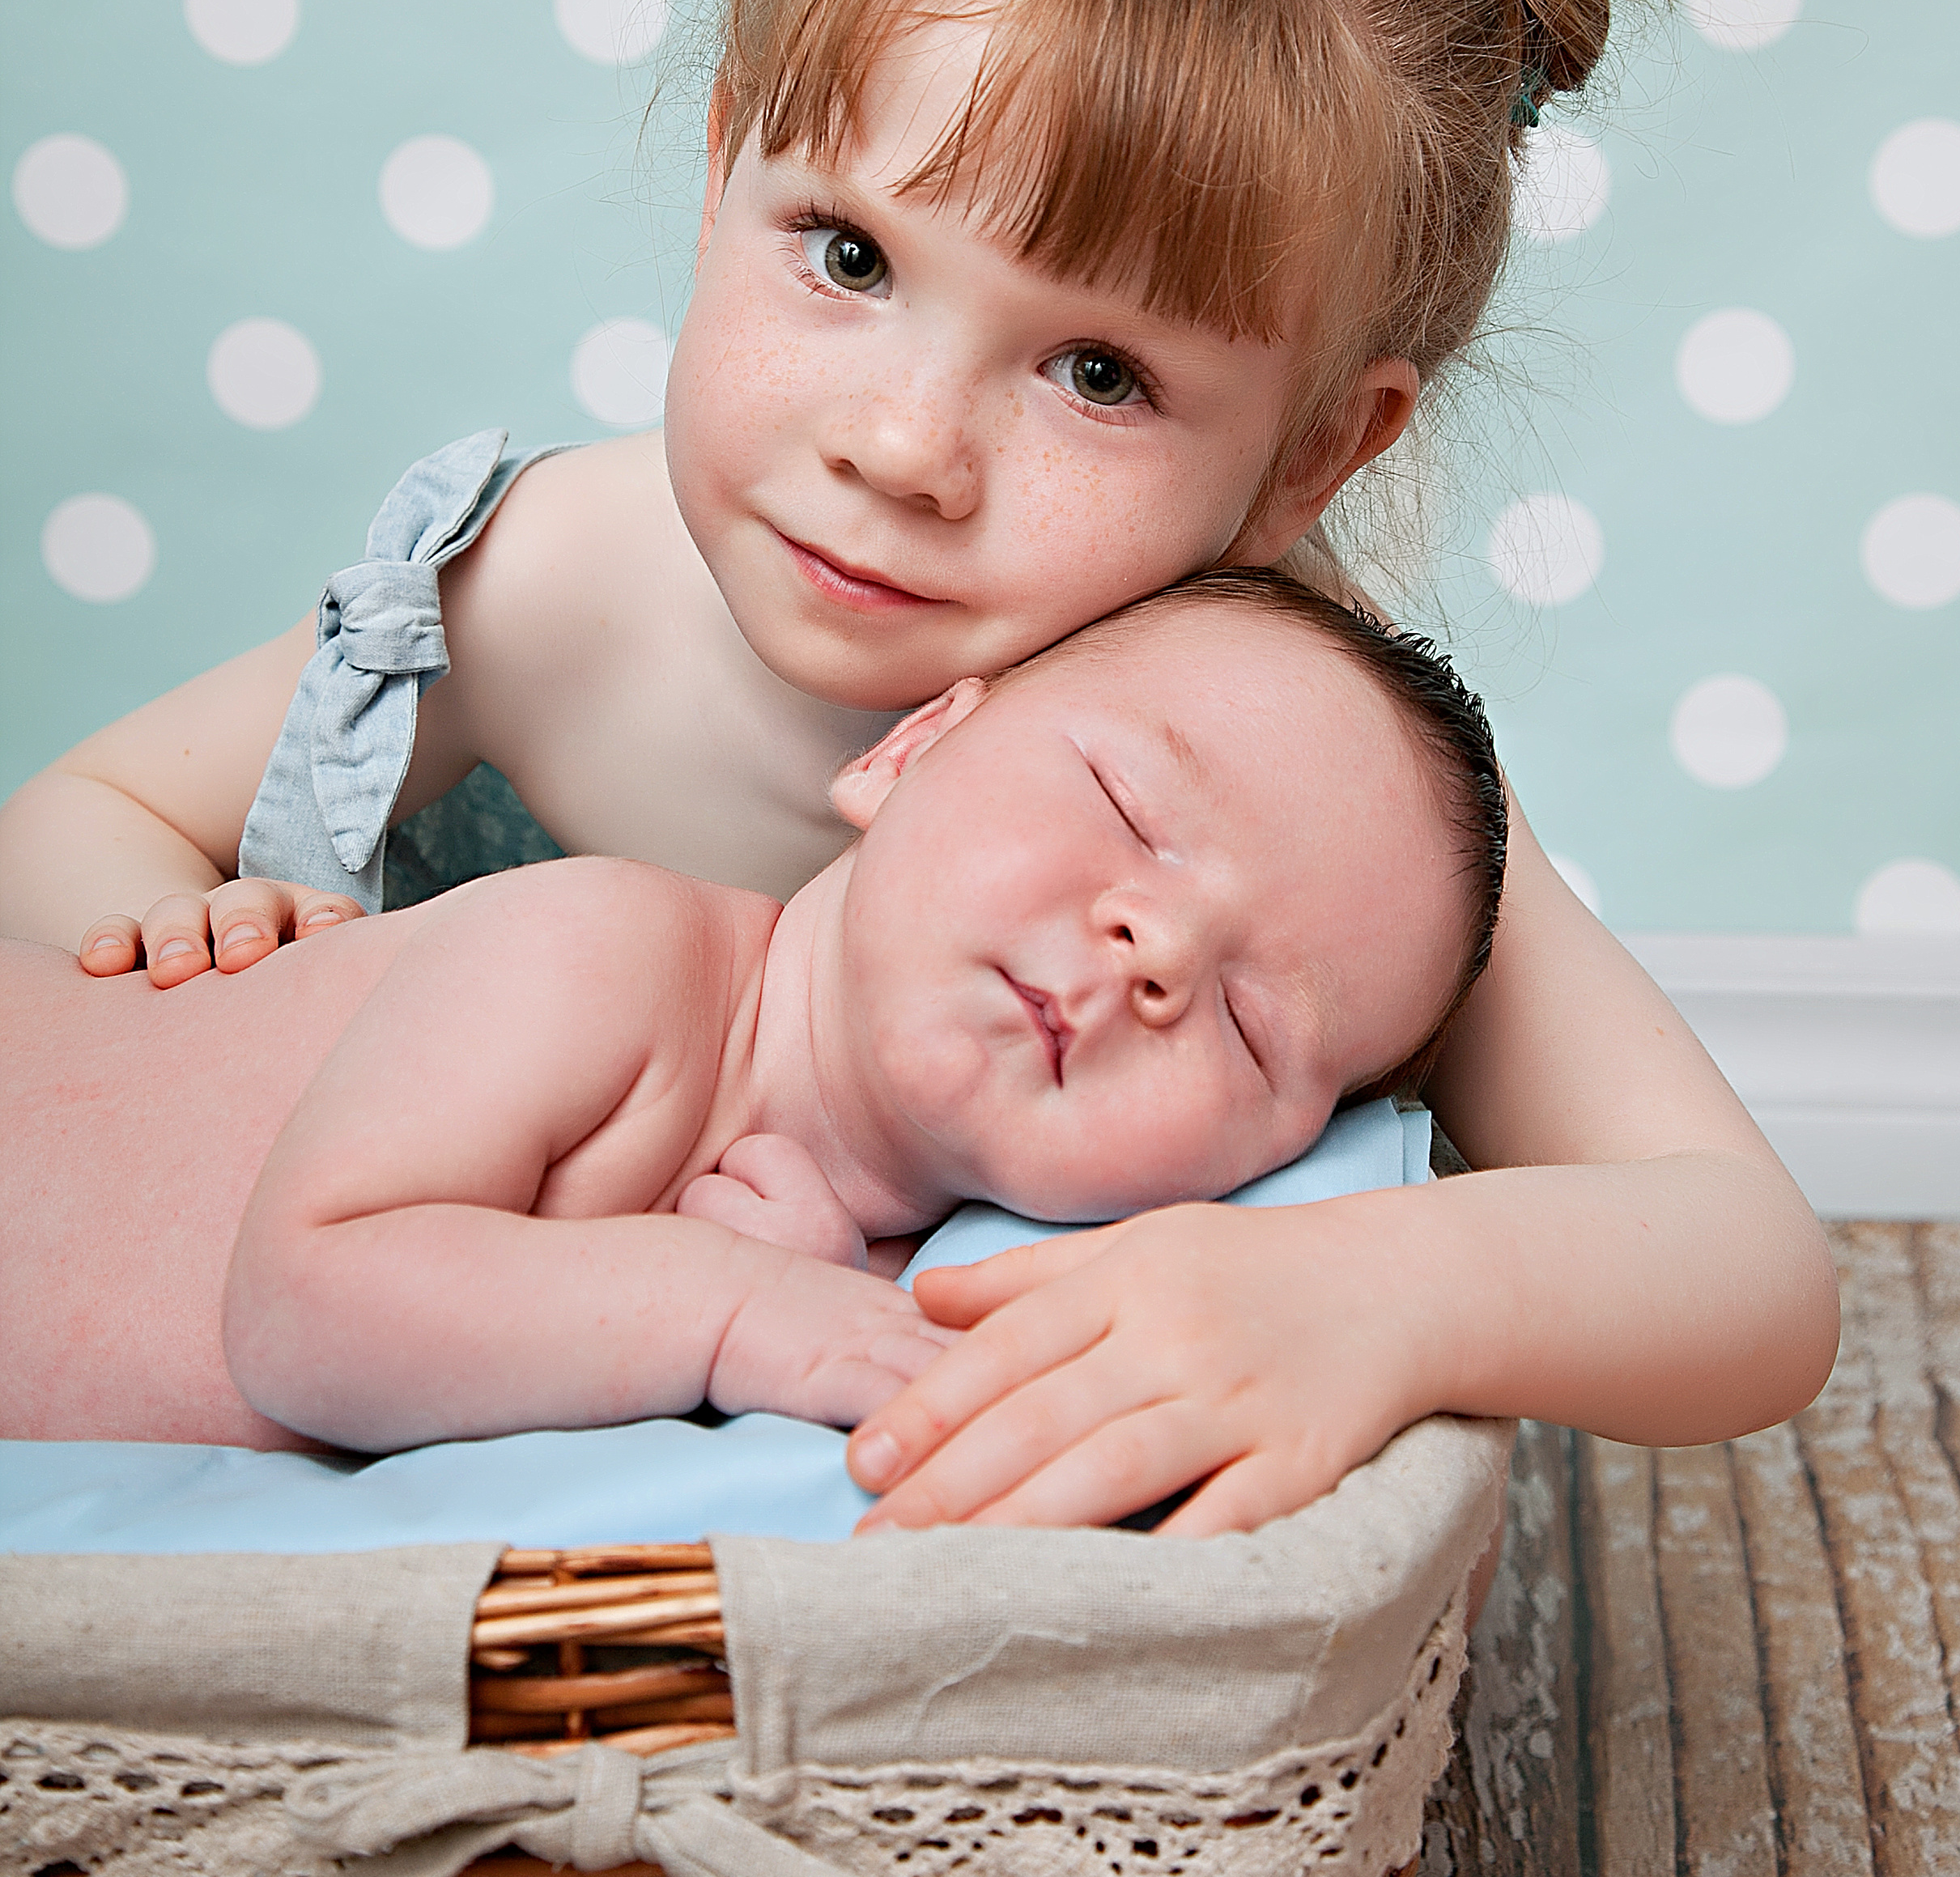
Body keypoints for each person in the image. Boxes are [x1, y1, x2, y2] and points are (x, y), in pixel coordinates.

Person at [0, 0, 1839, 1528]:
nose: (901, 447)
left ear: (1312, 453)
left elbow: (1743, 1271)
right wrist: (173, 928)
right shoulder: (566, 581)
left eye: (1100, 372)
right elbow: (87, 813)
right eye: (851, 256)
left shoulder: (1272, 771)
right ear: (723, 167)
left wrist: (1348, 1289)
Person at [0, 575, 1503, 1459]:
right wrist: (727, 1311)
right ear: (912, 749)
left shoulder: (905, 1293)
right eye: (1123, 804)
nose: (1154, 947)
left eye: (1249, 1028)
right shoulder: (610, 952)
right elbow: (302, 1308)